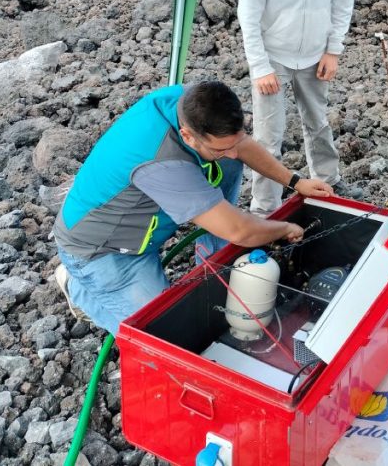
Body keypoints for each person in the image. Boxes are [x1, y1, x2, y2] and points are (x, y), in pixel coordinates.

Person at [51, 80, 334, 335]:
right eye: (221, 147)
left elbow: (240, 145)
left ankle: (214, 263)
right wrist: (284, 228)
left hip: (142, 218)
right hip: (103, 251)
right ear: (187, 137)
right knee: (164, 334)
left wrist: (295, 181)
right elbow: (241, 231)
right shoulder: (163, 161)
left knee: (227, 159)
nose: (235, 152)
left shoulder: (192, 102)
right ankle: (80, 288)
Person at [237, 0, 362, 215]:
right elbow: (248, 9)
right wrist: (260, 66)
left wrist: (333, 49)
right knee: (267, 137)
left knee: (318, 123)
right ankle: (264, 209)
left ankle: (327, 184)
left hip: (315, 52)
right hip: (274, 54)